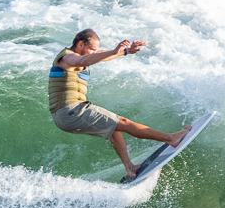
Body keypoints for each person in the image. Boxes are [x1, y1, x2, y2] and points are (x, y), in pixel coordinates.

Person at [48, 28, 190, 181]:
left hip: (66, 115)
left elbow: (98, 57)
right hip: (72, 111)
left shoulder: (81, 56)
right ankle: (170, 138)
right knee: (123, 122)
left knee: (114, 127)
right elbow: (82, 61)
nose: (94, 53)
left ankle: (130, 168)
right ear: (81, 44)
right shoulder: (67, 58)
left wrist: (126, 51)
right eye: (92, 49)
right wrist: (115, 50)